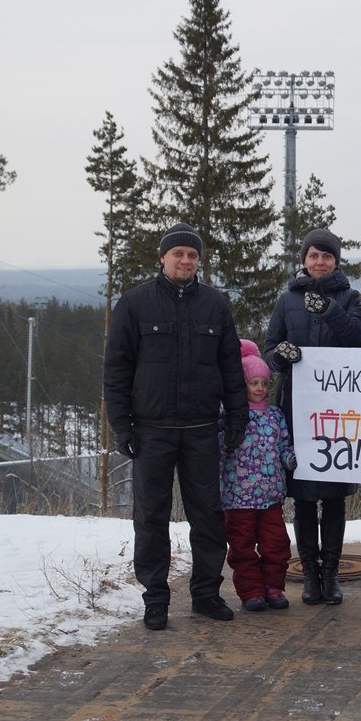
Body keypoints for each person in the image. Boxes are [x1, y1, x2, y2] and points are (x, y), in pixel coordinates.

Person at [103, 221, 248, 630]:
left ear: (199, 261)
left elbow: (231, 369)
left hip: (202, 429)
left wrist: (237, 418)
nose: (186, 260)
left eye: (192, 254)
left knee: (208, 516)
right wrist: (123, 426)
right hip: (152, 431)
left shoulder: (215, 306)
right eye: (178, 253)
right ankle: (156, 599)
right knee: (151, 517)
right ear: (162, 257)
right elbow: (116, 371)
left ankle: (205, 594)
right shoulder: (134, 304)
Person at [263, 228, 361, 606]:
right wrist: (282, 355)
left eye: (326, 256)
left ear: (336, 261)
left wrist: (330, 311)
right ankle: (309, 574)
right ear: (304, 259)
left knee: (335, 497)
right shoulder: (287, 299)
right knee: (304, 496)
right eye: (313, 256)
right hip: (297, 409)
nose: (319, 262)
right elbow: (269, 350)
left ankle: (331, 575)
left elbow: (359, 339)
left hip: (340, 412)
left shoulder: (351, 298)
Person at [219, 340, 296, 612]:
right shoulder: (229, 416)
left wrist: (291, 459)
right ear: (242, 385)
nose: (260, 388)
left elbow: (284, 446)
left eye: (264, 382)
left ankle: (274, 587)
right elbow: (219, 447)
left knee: (276, 545)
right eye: (254, 383)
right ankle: (251, 591)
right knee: (242, 548)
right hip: (238, 498)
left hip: (270, 496)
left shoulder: (275, 416)